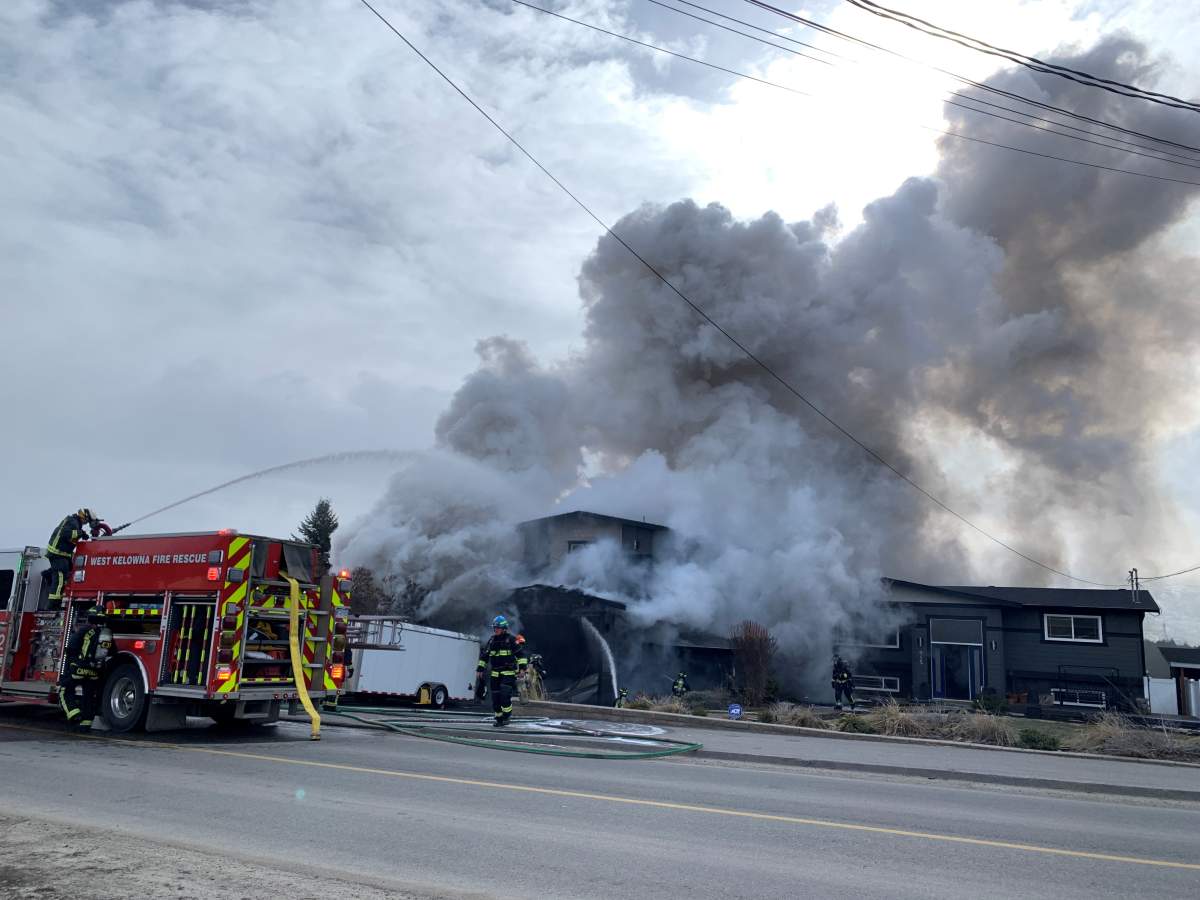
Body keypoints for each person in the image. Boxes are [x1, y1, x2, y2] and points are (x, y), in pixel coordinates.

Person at [58, 605, 114, 731]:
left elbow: (71, 649)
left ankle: (73, 713)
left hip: (79, 668)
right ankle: (86, 722)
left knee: (64, 690)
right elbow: (112, 652)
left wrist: (72, 665)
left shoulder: (84, 630)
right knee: (88, 696)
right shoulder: (106, 634)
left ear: (90, 617)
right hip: (95, 672)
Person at [476, 615, 526, 726]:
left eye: (498, 627)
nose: (496, 629)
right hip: (495, 674)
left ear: (504, 628)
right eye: (495, 627)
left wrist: (522, 668)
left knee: (504, 695)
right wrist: (480, 669)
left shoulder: (511, 640)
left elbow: (521, 655)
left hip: (508, 673)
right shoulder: (492, 641)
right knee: (496, 698)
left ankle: (507, 716)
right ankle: (499, 719)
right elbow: (484, 656)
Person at [44, 509, 99, 604]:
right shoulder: (72, 522)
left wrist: (81, 533)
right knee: (60, 578)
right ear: (85, 517)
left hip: (63, 554)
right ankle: (53, 604)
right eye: (87, 520)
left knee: (69, 573)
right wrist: (80, 533)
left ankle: (48, 575)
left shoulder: (75, 522)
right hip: (57, 553)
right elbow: (66, 534)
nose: (87, 523)